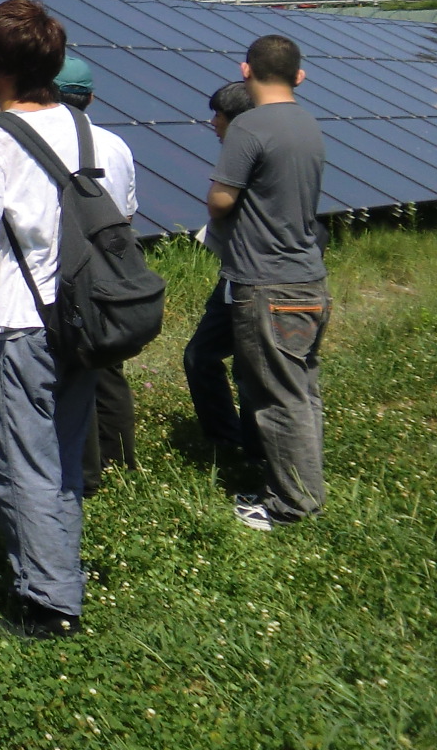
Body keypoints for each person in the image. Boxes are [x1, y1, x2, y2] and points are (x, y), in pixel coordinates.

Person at [0, 0, 137, 640]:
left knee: (23, 462)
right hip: (87, 324)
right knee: (63, 455)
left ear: (1, 66)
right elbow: (119, 228)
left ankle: (48, 603)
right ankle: (62, 573)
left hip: (21, 322)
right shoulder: (104, 141)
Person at [209, 35, 331, 531]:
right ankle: (299, 485)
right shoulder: (308, 122)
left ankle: (292, 504)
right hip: (308, 277)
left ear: (246, 71)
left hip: (266, 281)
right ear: (298, 76)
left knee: (276, 398)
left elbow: (221, 200)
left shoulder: (249, 126)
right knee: (301, 390)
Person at [55, 55, 137, 493]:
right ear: (90, 98)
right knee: (108, 367)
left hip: (69, 275)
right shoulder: (115, 144)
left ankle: (83, 475)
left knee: (70, 372)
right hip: (112, 271)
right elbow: (126, 212)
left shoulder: (43, 142)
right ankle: (120, 460)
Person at [182, 81, 265, 461]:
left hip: (255, 279)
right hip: (234, 274)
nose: (212, 122)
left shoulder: (251, 154)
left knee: (249, 373)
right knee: (201, 357)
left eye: (219, 115)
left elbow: (220, 203)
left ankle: (254, 453)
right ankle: (229, 440)